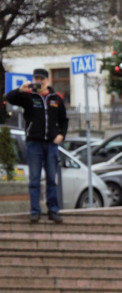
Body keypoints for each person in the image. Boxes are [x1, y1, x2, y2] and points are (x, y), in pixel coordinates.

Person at [4, 68, 67, 223]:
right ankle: (35, 211)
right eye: (36, 79)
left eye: (42, 79)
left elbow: (64, 120)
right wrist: (21, 89)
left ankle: (53, 210)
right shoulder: (29, 97)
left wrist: (61, 135)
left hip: (51, 144)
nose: (39, 81)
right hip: (34, 143)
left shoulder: (55, 98)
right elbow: (9, 98)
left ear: (48, 80)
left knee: (51, 178)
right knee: (34, 179)